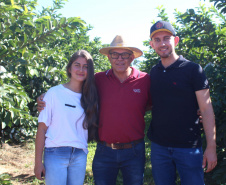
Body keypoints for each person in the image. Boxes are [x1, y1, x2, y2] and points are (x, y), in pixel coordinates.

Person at [37, 35, 151, 185]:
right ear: (109, 58)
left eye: (125, 55)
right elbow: (71, 89)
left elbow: (153, 104)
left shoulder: (145, 80)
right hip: (105, 150)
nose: (120, 59)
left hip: (134, 150)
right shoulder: (99, 80)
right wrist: (44, 97)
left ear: (132, 58)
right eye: (115, 54)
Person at [147, 20, 217, 185]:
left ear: (175, 40)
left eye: (166, 38)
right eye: (157, 40)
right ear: (152, 44)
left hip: (189, 148)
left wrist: (211, 147)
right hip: (159, 147)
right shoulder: (154, 72)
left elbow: (206, 109)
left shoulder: (193, 70)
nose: (162, 43)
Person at [34, 50, 99, 185]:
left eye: (86, 66)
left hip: (80, 154)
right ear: (69, 68)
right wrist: (37, 163)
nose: (81, 70)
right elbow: (41, 130)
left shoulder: (91, 97)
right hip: (55, 153)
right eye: (77, 65)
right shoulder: (54, 93)